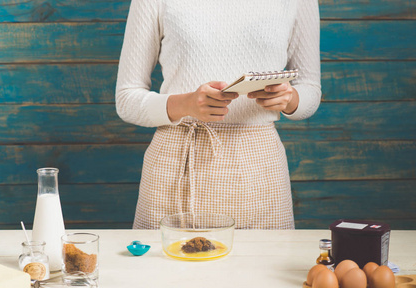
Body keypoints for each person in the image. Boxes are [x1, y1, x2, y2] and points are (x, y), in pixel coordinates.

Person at [115, 0, 321, 229]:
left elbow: (310, 90)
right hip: (175, 163)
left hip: (260, 169)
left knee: (265, 263)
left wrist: (289, 98)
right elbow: (126, 99)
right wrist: (186, 104)